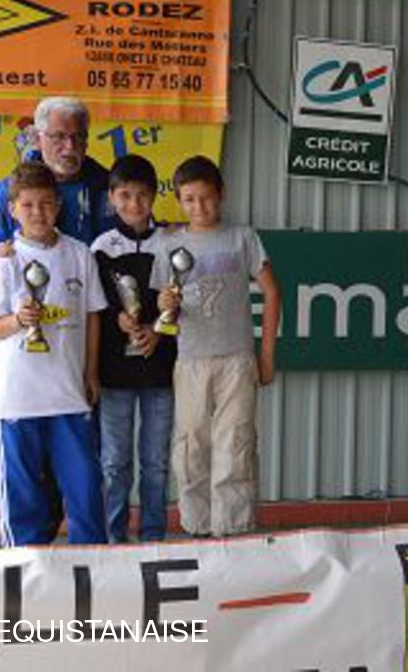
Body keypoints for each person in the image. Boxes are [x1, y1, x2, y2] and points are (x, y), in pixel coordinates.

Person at [0, 162, 107, 546]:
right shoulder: (5, 260)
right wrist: (19, 320)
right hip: (20, 398)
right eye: (28, 205)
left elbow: (93, 315)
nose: (38, 212)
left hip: (68, 394)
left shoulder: (79, 254)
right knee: (23, 496)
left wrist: (90, 373)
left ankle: (93, 564)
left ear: (59, 205)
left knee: (86, 487)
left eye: (46, 203)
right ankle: (21, 565)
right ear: (12, 210)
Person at [154, 155, 280, 537]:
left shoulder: (242, 238)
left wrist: (266, 354)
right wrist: (165, 304)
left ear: (221, 194)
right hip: (190, 360)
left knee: (235, 443)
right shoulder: (169, 244)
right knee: (191, 445)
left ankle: (233, 530)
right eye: (189, 199)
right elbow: (162, 302)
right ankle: (197, 527)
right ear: (179, 200)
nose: (199, 206)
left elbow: (272, 292)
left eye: (206, 197)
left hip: (237, 359)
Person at [90, 154, 178, 543]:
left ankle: (153, 538)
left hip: (160, 370)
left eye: (142, 195)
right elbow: (94, 306)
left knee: (156, 462)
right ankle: (114, 539)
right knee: (114, 462)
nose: (134, 204)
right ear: (111, 198)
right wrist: (118, 320)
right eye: (124, 195)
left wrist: (158, 331)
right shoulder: (101, 247)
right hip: (114, 373)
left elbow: (179, 301)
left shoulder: (171, 243)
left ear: (155, 195)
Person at [0, 96, 114, 302]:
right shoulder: (8, 191)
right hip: (26, 313)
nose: (69, 147)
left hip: (94, 312)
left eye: (78, 136)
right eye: (58, 137)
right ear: (37, 139)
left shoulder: (111, 189)